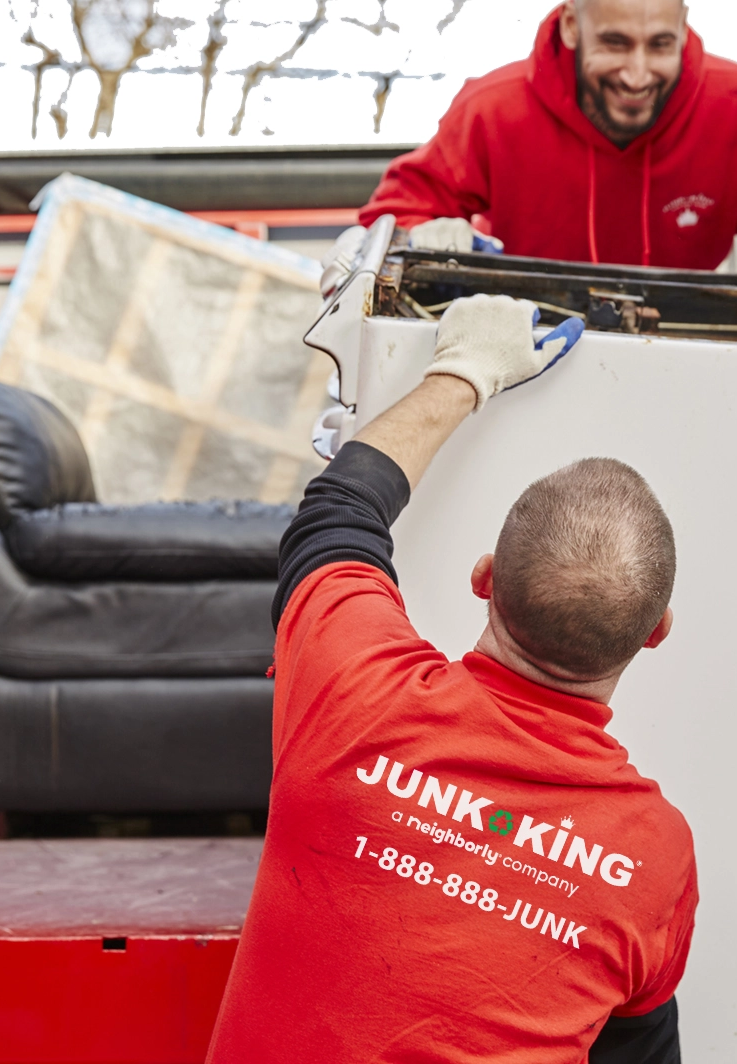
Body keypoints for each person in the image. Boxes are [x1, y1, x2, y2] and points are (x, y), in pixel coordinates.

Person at [207, 295, 697, 1063]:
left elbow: (338, 511)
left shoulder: (356, 688)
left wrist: (464, 370)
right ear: (656, 633)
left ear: (483, 578)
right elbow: (638, 1050)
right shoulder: (655, 854)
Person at [355, 0, 737, 273]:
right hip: (528, 349)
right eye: (614, 43)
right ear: (571, 26)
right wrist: (428, 240)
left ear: (682, 28)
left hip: (685, 347)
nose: (637, 75)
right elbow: (387, 222)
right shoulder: (494, 110)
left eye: (660, 45)